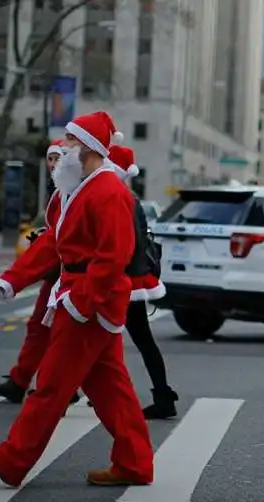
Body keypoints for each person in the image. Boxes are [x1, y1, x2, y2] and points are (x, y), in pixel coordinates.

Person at [0, 111, 154, 488]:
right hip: (84, 299)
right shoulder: (82, 188)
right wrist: (11, 281)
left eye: (69, 141)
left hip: (87, 302)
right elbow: (54, 243)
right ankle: (134, 463)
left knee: (51, 385)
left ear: (86, 148)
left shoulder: (109, 191)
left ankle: (12, 460)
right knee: (111, 389)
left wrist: (80, 302)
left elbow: (113, 256)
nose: (62, 148)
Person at [0, 140, 81, 407]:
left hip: (81, 281)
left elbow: (63, 241)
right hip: (63, 275)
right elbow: (54, 239)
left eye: (59, 157)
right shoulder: (64, 191)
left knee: (79, 342)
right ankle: (29, 383)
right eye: (50, 158)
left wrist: (14, 278)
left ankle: (56, 388)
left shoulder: (81, 190)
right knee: (42, 328)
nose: (54, 163)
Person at [106, 144, 178, 419]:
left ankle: (161, 396)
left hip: (124, 282)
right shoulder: (128, 198)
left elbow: (125, 245)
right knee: (139, 340)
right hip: (131, 281)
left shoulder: (122, 199)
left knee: (107, 338)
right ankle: (162, 395)